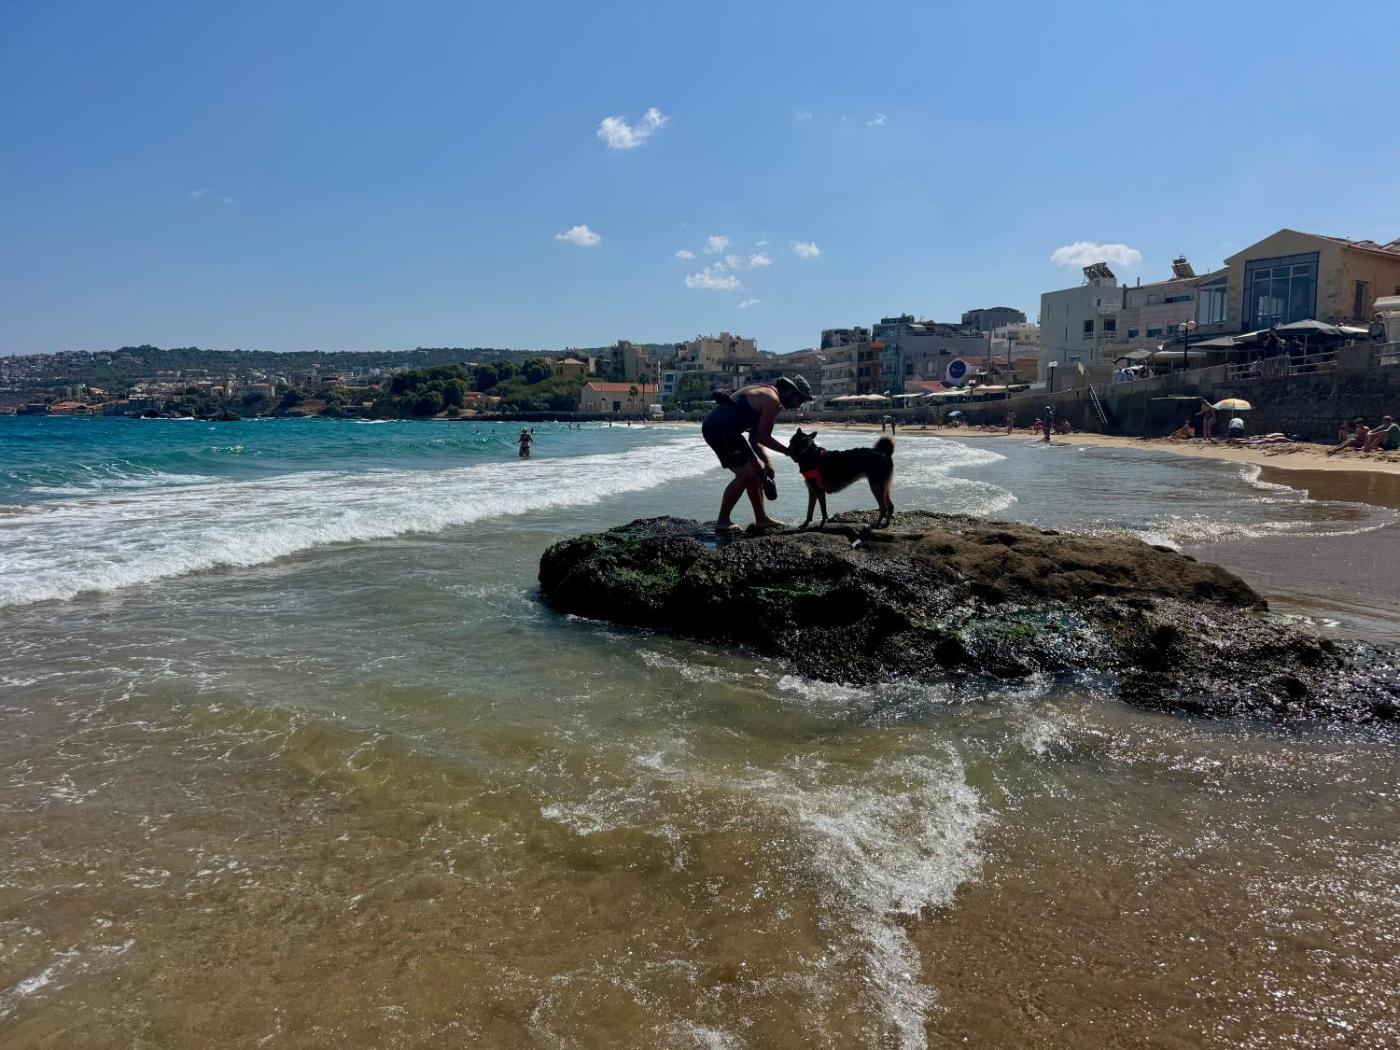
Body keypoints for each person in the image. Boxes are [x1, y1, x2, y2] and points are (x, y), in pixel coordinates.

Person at [702, 375, 813, 533]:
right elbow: (764, 437)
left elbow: (755, 439)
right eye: (800, 399)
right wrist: (788, 452)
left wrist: (767, 462)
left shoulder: (769, 397)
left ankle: (761, 519)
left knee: (756, 471)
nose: (799, 405)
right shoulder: (771, 399)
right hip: (717, 429)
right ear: (790, 391)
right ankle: (722, 521)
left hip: (730, 431)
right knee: (745, 475)